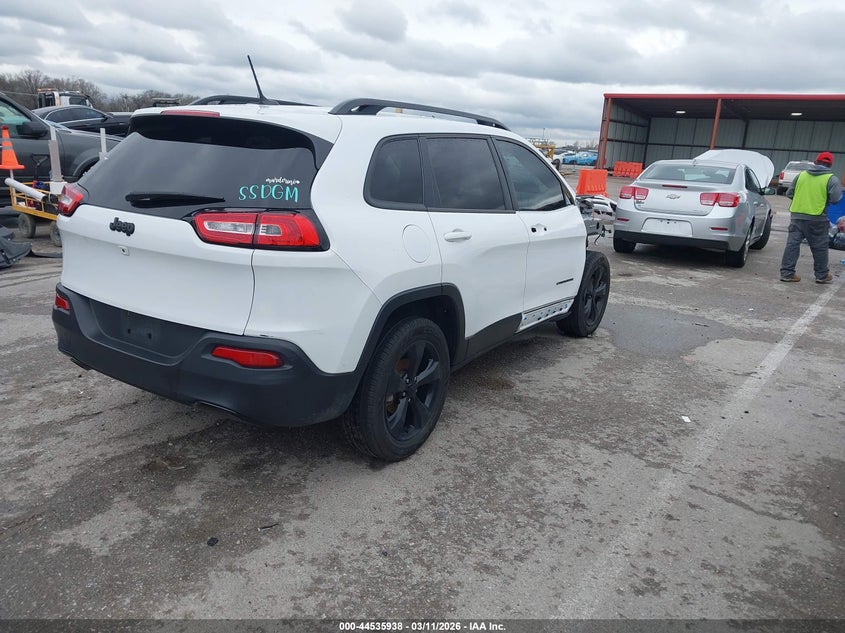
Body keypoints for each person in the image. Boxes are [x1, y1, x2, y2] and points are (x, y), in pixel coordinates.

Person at [779, 151, 843, 283]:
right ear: (830, 164)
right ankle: (822, 275)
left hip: (797, 216)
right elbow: (836, 199)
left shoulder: (801, 176)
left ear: (815, 162)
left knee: (792, 245)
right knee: (820, 247)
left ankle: (787, 273)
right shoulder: (832, 179)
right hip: (817, 218)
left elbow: (790, 193)